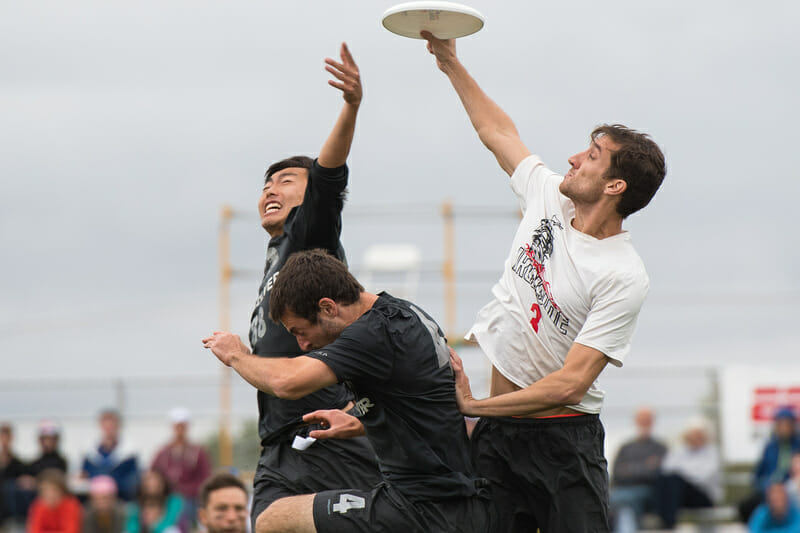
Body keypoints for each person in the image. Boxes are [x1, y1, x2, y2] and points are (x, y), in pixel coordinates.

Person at [421, 33, 667, 532]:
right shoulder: (549, 198)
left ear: (614, 186)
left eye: (593, 154)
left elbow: (571, 384)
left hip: (563, 444)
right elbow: (497, 130)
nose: (575, 158)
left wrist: (476, 407)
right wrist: (450, 62)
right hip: (496, 441)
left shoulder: (623, 274)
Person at [202, 250, 492, 533]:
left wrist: (236, 356)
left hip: (424, 506)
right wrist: (359, 421)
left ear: (328, 308)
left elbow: (287, 383)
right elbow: (417, 404)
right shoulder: (402, 312)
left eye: (300, 331)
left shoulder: (374, 333)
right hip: (451, 498)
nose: (302, 344)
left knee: (272, 520)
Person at [222, 42, 380, 529]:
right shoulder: (276, 257)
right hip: (278, 444)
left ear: (309, 197)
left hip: (326, 434)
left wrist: (350, 106)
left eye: (286, 180)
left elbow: (329, 175)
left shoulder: (308, 238)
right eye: (265, 183)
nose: (270, 189)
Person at [654, 417, 721, 529]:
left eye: (699, 434)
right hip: (680, 495)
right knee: (664, 479)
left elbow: (703, 477)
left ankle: (668, 524)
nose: (696, 437)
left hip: (703, 496)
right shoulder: (679, 450)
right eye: (693, 434)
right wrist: (685, 474)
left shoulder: (712, 452)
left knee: (675, 480)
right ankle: (666, 520)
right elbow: (666, 470)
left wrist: (682, 474)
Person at [609, 407, 667, 533]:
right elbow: (617, 472)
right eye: (641, 420)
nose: (644, 423)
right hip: (621, 491)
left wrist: (629, 468)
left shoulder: (660, 447)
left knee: (627, 499)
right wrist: (644, 466)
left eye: (647, 420)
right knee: (609, 500)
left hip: (647, 493)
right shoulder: (625, 447)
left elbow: (655, 474)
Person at [150, 407, 211, 524]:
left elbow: (205, 478)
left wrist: (186, 490)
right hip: (166, 498)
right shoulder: (163, 453)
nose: (180, 430)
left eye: (183, 426)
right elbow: (154, 475)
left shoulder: (198, 452)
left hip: (191, 499)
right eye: (177, 426)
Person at [740, 406, 800, 522]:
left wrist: (783, 486)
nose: (784, 428)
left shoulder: (798, 445)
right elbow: (758, 474)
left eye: (787, 424)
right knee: (746, 507)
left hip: (790, 490)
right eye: (780, 424)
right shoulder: (770, 446)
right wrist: (766, 486)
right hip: (767, 490)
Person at [81, 409, 140, 501]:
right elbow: (84, 476)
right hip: (95, 501)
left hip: (120, 500)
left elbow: (132, 481)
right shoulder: (90, 453)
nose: (109, 430)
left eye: (112, 426)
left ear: (118, 426)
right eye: (106, 426)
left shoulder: (129, 454)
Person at [27, 469, 82, 533]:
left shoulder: (71, 505)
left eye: (54, 490)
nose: (49, 494)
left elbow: (72, 530)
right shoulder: (38, 505)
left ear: (62, 490)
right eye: (45, 490)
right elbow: (34, 530)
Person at [0, 422, 28, 527]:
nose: (4, 440)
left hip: (9, 512)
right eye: (2, 436)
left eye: (7, 436)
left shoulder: (18, 464)